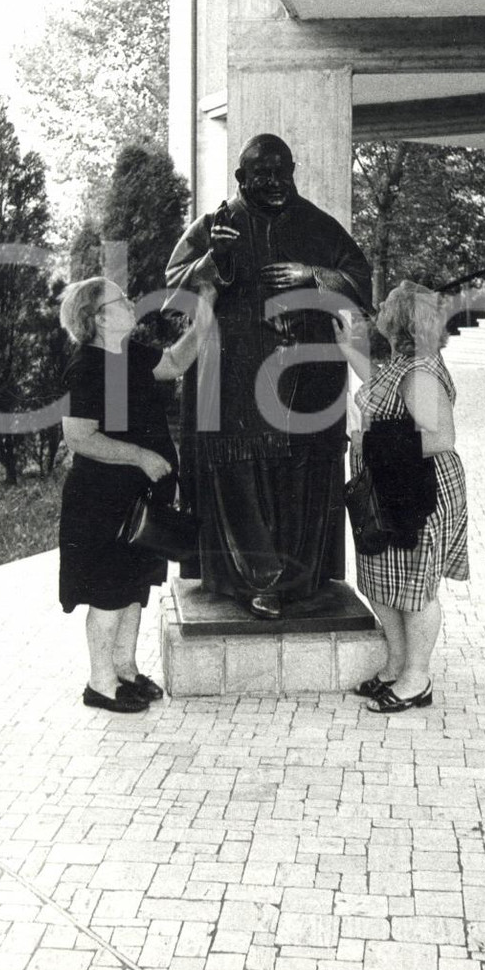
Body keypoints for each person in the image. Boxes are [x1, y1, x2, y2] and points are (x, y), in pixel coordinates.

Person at [165, 134, 373, 619]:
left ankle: (299, 579)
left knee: (300, 477)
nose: (276, 182)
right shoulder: (216, 226)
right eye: (263, 174)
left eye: (283, 172)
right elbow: (174, 291)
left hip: (309, 380)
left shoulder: (318, 226)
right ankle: (255, 579)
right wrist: (214, 261)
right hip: (233, 383)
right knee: (240, 478)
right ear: (242, 178)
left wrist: (313, 274)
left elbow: (361, 277)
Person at [58, 276, 214, 713]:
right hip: (101, 501)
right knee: (108, 592)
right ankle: (100, 683)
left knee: (131, 588)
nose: (131, 304)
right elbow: (79, 437)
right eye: (121, 300)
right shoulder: (87, 366)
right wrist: (142, 457)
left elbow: (173, 363)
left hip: (136, 500)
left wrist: (203, 317)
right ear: (99, 318)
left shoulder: (128, 354)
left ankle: (125, 670)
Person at [334, 280, 469, 713]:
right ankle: (395, 665)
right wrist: (346, 348)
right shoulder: (402, 362)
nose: (381, 307)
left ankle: (416, 678)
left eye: (388, 303)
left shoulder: (420, 372)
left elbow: (441, 438)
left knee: (415, 588)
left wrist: (367, 443)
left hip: (418, 496)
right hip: (393, 491)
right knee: (381, 579)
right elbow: (377, 381)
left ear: (400, 319)